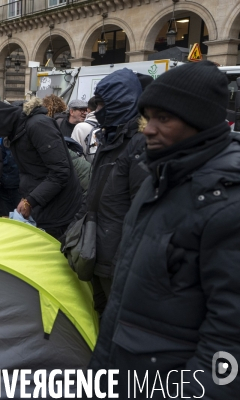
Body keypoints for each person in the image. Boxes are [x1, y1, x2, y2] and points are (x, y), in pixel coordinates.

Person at [89, 61, 240, 398]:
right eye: (148, 116)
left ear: (198, 123)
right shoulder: (159, 179)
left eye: (164, 118)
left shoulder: (227, 203)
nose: (148, 128)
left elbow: (228, 343)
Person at [79, 68, 148, 314]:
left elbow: (142, 209)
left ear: (120, 103)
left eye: (101, 105)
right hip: (98, 249)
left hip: (116, 259)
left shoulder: (139, 143)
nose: (96, 111)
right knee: (100, 315)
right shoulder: (111, 137)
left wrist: (122, 260)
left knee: (115, 321)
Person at [0, 98, 82, 240]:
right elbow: (33, 172)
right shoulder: (16, 131)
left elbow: (60, 172)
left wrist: (31, 200)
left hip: (59, 210)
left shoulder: (38, 125)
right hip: (43, 205)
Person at [42, 95, 91, 196]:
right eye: (80, 110)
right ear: (72, 112)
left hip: (80, 171)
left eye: (85, 110)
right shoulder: (58, 124)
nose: (84, 113)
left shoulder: (85, 127)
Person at [71, 96, 100, 161]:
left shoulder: (80, 127)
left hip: (86, 168)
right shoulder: (112, 125)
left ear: (88, 110)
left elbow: (75, 154)